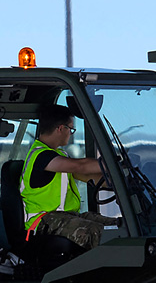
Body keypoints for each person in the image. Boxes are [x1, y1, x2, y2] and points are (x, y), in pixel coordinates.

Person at [21, 104, 107, 249]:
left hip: (66, 216)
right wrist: (113, 163)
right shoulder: (41, 156)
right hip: (43, 221)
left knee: (117, 228)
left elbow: (87, 176)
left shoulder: (59, 156)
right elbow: (81, 166)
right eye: (71, 129)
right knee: (97, 233)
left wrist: (117, 183)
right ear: (61, 128)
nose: (71, 133)